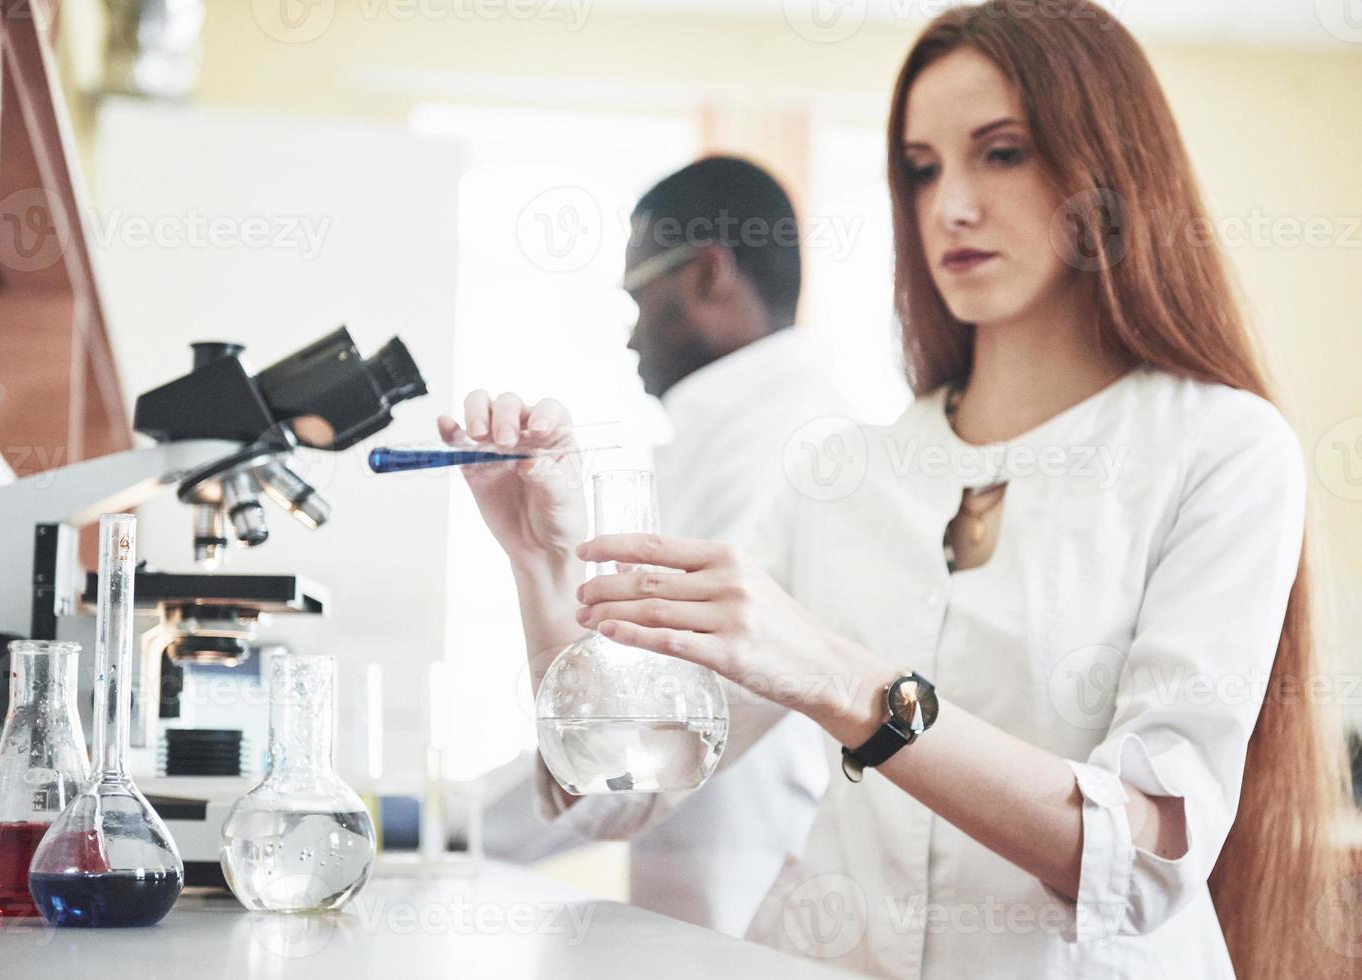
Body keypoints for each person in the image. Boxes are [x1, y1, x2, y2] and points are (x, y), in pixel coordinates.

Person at [441, 3, 1349, 978]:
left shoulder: (1221, 448)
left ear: (1105, 172)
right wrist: (540, 566)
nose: (949, 204)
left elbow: (1143, 864)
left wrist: (846, 686)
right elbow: (615, 786)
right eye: (920, 168)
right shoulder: (842, 474)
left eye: (1000, 153)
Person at [475, 157, 860, 937]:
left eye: (636, 294)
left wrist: (438, 821)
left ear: (708, 272)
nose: (628, 334)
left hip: (751, 920)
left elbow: (637, 745)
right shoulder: (728, 438)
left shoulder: (790, 451)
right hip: (701, 908)